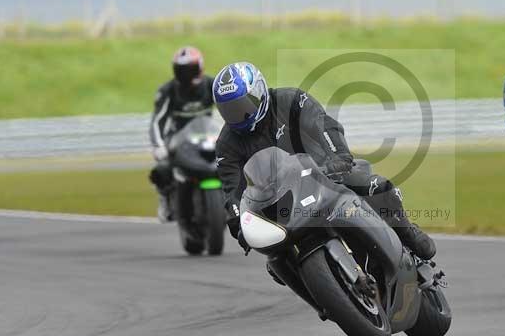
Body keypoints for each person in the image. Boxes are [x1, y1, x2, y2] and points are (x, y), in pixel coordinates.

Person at [212, 61, 436, 260]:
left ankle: (407, 232)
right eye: (229, 110)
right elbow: (232, 189)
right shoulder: (227, 143)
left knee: (376, 187)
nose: (238, 115)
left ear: (258, 92)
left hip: (324, 172)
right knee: (275, 260)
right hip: (278, 199)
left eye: (242, 106)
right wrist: (238, 221)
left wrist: (338, 157)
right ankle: (328, 300)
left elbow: (323, 126)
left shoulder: (290, 100)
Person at [148, 46, 215, 222]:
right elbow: (157, 121)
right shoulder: (167, 91)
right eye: (182, 71)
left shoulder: (211, 85)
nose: (187, 75)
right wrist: (159, 145)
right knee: (162, 168)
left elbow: (229, 106)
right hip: (178, 139)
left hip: (207, 137)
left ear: (200, 68)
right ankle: (165, 199)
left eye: (190, 70)